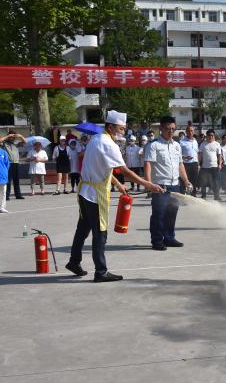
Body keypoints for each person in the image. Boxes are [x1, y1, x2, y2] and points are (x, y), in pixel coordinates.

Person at [67, 110, 163, 281]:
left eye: (124, 129)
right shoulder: (109, 145)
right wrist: (148, 184)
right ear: (110, 127)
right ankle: (100, 271)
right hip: (95, 195)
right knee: (100, 233)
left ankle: (74, 262)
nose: (123, 132)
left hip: (84, 191)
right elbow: (124, 170)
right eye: (121, 128)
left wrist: (118, 184)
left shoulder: (96, 139)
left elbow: (103, 167)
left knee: (82, 229)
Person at [144, 116, 192, 251]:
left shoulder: (177, 145)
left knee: (172, 213)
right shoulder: (153, 145)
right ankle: (157, 240)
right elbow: (148, 164)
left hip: (175, 185)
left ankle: (169, 238)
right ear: (161, 128)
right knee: (158, 214)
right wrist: (148, 183)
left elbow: (180, 164)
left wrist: (186, 180)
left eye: (173, 129)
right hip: (160, 185)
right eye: (168, 129)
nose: (171, 131)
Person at [1, 132, 26, 200]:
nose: (12, 138)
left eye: (13, 137)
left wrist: (20, 136)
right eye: (11, 137)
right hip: (8, 163)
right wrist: (8, 136)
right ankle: (6, 195)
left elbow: (25, 142)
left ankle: (18, 195)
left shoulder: (16, 143)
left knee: (16, 180)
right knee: (8, 180)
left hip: (16, 163)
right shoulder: (4, 143)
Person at [199, 129, 222, 200]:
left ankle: (216, 196)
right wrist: (199, 164)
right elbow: (200, 155)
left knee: (216, 182)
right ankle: (203, 195)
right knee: (203, 182)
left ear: (214, 136)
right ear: (206, 136)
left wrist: (220, 164)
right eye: (209, 135)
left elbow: (219, 155)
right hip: (205, 166)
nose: (210, 137)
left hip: (214, 166)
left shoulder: (217, 144)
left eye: (212, 135)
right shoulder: (203, 144)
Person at [180, 124, 200, 196]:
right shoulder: (182, 142)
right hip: (185, 164)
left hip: (194, 164)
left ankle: (193, 195)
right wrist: (184, 157)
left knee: (194, 181)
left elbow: (197, 153)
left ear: (194, 132)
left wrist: (198, 164)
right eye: (188, 131)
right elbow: (178, 154)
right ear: (186, 132)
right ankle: (183, 196)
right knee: (184, 181)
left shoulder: (195, 141)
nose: (190, 132)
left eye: (191, 131)